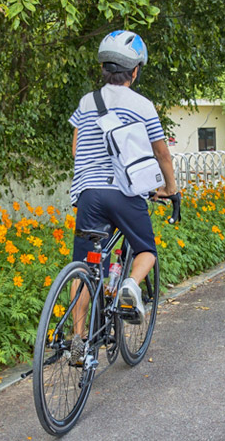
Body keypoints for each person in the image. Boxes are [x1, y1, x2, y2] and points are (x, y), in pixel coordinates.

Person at [69, 30, 177, 337]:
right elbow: (162, 154)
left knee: (86, 264)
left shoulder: (87, 102)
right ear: (135, 70)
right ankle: (130, 285)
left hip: (88, 193)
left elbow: (77, 149)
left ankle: (78, 338)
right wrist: (171, 188)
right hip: (125, 192)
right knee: (146, 249)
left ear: (104, 68)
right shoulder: (143, 106)